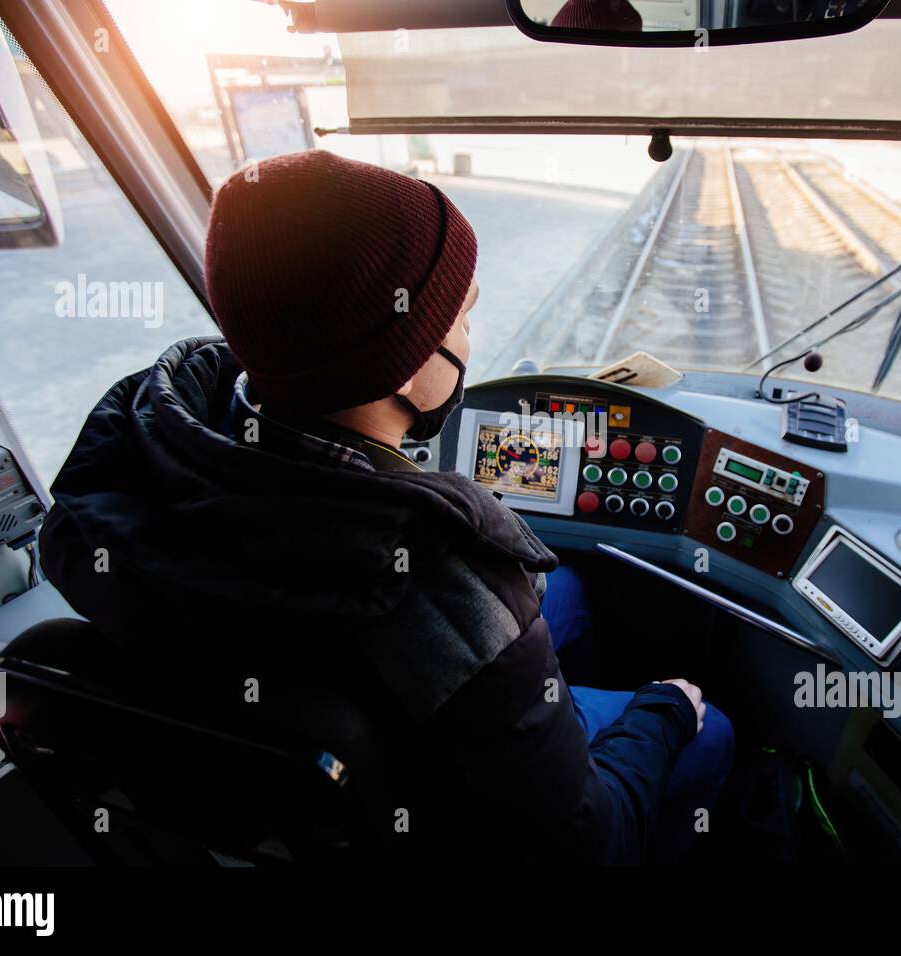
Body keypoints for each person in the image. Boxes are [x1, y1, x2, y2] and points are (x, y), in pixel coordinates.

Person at [38, 149, 733, 864]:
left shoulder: (131, 470)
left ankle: (544, 713)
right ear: (405, 360)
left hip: (295, 778)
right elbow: (588, 844)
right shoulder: (451, 597)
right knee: (710, 732)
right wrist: (665, 708)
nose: (470, 339)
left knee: (573, 590)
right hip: (437, 796)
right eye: (462, 317)